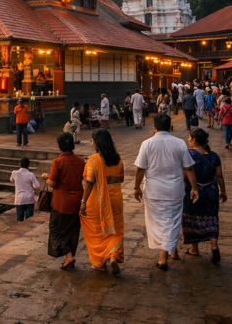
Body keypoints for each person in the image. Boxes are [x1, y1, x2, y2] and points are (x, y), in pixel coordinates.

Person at [133, 114, 199, 271]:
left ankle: (163, 257)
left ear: (154, 127)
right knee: (172, 222)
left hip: (154, 191)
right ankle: (171, 250)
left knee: (157, 223)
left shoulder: (147, 144)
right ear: (170, 126)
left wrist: (136, 188)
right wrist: (195, 188)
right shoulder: (179, 143)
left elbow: (140, 169)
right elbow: (188, 168)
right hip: (174, 190)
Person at [79, 130, 124, 275]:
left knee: (97, 231)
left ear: (97, 143)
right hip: (116, 198)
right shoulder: (118, 159)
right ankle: (113, 256)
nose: (92, 143)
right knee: (115, 229)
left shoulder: (93, 160)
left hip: (97, 200)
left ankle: (100, 262)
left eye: (93, 140)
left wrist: (83, 201)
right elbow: (121, 178)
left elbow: (90, 182)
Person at [182, 128, 227, 263]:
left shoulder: (189, 155)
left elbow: (185, 175)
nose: (188, 140)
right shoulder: (214, 156)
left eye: (189, 138)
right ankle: (214, 246)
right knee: (212, 218)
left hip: (193, 192)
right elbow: (219, 176)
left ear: (194, 140)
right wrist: (223, 191)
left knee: (192, 219)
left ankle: (194, 248)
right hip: (211, 192)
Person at [42, 133, 85, 271]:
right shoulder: (80, 161)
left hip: (61, 202)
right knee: (72, 231)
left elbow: (52, 183)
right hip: (76, 201)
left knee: (56, 230)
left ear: (60, 146)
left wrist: (45, 177)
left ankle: (69, 256)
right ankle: (69, 257)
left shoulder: (58, 162)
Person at [10, 157, 39, 222]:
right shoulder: (31, 174)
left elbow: (11, 180)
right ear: (28, 165)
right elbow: (37, 186)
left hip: (19, 199)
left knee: (19, 220)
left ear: (19, 164)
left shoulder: (14, 173)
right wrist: (32, 186)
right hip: (29, 199)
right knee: (29, 220)